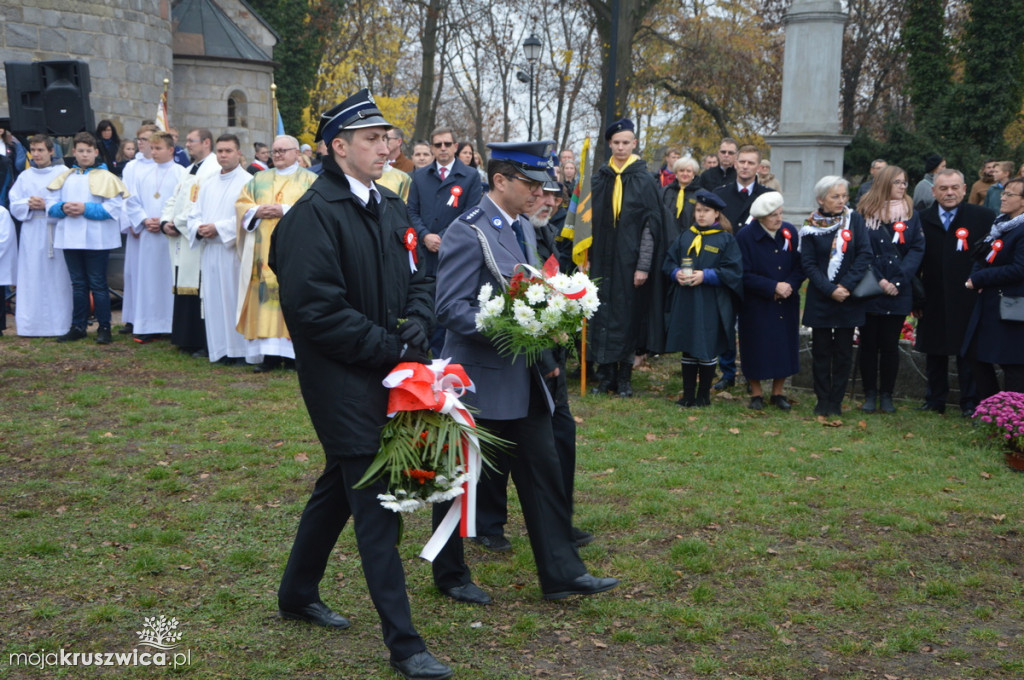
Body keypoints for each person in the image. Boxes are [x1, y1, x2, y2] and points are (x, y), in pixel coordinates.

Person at [269, 89, 450, 680]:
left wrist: (418, 326)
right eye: (371, 139)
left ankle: (297, 592)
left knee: (338, 485)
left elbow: (420, 275)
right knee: (376, 506)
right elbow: (315, 310)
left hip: (394, 370)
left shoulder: (390, 203)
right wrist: (390, 346)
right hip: (343, 380)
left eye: (387, 138)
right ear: (337, 147)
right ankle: (404, 644)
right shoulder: (311, 216)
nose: (385, 146)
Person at [431, 137, 619, 607]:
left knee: (543, 473)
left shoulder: (523, 229)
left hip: (526, 379)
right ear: (500, 181)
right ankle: (449, 573)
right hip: (478, 379)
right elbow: (450, 308)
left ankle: (561, 573)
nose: (541, 193)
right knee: (459, 480)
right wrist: (514, 326)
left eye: (542, 184)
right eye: (530, 184)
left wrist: (549, 332)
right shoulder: (466, 230)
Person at [471, 179, 593, 553]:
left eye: (555, 196)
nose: (547, 202)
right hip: (510, 354)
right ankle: (487, 523)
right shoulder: (491, 229)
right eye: (539, 193)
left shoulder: (539, 230)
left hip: (545, 355)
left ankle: (558, 521)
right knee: (500, 444)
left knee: (559, 439)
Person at [588, 118, 660, 397]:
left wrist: (643, 264)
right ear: (609, 144)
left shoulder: (644, 179)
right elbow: (587, 221)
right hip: (602, 260)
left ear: (634, 144)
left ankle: (625, 378)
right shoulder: (600, 178)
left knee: (626, 316)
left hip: (629, 262)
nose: (620, 147)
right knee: (602, 313)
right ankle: (605, 377)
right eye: (616, 143)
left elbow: (650, 227)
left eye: (625, 143)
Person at [915, 169, 995, 416]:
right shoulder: (921, 218)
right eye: (943, 188)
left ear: (963, 188)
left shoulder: (983, 216)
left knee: (968, 351)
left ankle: (969, 402)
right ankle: (935, 399)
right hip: (933, 294)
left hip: (969, 294)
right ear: (933, 191)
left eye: (954, 187)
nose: (949, 193)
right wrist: (916, 296)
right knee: (934, 349)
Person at [235, 135, 317, 372]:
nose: (278, 155)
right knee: (264, 298)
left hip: (296, 250)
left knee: (293, 295)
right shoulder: (259, 179)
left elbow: (316, 210)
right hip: (262, 251)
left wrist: (285, 210)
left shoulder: (310, 179)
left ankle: (294, 355)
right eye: (275, 151)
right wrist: (256, 210)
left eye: (283, 150)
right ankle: (269, 356)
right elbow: (241, 204)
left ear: (296, 152)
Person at [799, 176, 872, 417]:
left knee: (843, 352)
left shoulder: (855, 220)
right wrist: (830, 289)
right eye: (835, 196)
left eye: (844, 196)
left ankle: (836, 401)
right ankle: (822, 399)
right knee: (821, 352)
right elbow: (808, 264)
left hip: (848, 297)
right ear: (821, 199)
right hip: (821, 296)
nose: (841, 201)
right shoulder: (811, 225)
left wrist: (845, 286)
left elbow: (864, 255)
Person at [662, 190, 743, 406]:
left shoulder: (725, 239)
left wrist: (706, 275)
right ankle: (688, 394)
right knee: (688, 345)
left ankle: (703, 396)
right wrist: (675, 273)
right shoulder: (685, 236)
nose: (701, 215)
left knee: (705, 346)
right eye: (698, 210)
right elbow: (668, 261)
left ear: (716, 214)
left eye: (706, 211)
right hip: (686, 300)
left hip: (710, 301)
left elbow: (734, 271)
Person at [855, 165, 925, 413]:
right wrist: (879, 280)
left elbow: (916, 249)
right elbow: (861, 249)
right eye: (897, 182)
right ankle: (869, 394)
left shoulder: (910, 214)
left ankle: (887, 395)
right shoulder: (863, 212)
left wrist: (897, 281)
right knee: (868, 345)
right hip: (871, 289)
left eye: (905, 182)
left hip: (899, 290)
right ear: (884, 183)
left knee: (889, 345)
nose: (903, 187)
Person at [47, 131, 129, 345]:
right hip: (70, 238)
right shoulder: (65, 177)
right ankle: (78, 326)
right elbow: (50, 205)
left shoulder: (107, 177)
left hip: (96, 239)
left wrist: (85, 208)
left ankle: (104, 327)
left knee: (98, 283)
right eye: (80, 151)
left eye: (88, 151)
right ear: (74, 152)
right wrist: (63, 207)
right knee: (78, 283)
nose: (84, 155)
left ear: (95, 152)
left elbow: (113, 209)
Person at [185, 134, 251, 366]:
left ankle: (241, 351)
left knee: (234, 300)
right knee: (213, 301)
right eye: (220, 151)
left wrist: (219, 228)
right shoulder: (209, 181)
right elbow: (194, 212)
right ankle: (220, 349)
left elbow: (247, 217)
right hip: (210, 251)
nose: (223, 155)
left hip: (233, 252)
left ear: (239, 153)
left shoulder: (248, 182)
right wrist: (198, 228)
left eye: (228, 151)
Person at [736, 191, 803, 410]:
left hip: (786, 299)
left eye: (780, 213)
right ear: (761, 218)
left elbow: (799, 265)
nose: (778, 219)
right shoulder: (745, 236)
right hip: (757, 302)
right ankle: (756, 393)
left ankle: (778, 392)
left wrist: (789, 285)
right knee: (756, 345)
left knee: (783, 344)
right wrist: (772, 287)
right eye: (773, 215)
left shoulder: (789, 232)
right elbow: (743, 273)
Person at [712, 144, 770, 389]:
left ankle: (752, 373)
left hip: (754, 267)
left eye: (751, 163)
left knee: (753, 324)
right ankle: (727, 373)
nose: (745, 166)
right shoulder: (720, 193)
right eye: (742, 162)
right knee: (725, 322)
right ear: (735, 163)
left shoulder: (766, 196)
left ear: (759, 167)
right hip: (726, 267)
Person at [160, 128, 219, 356]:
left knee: (200, 286)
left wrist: (178, 222)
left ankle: (200, 339)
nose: (187, 145)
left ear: (206, 142)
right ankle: (185, 338)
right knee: (184, 282)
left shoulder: (212, 170)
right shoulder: (188, 170)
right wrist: (166, 220)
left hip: (196, 237)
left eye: (191, 141)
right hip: (181, 236)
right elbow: (174, 198)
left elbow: (199, 205)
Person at [122, 131, 186, 342]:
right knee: (148, 281)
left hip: (170, 236)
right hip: (149, 235)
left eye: (158, 148)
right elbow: (132, 201)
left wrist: (167, 221)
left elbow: (185, 202)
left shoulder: (181, 173)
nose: (154, 152)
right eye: (152, 148)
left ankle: (170, 324)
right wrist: (143, 220)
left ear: (170, 150)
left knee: (169, 279)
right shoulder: (143, 174)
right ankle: (148, 325)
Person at [963, 177, 1024, 399]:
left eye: (1010, 194)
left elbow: (1019, 269)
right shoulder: (1002, 226)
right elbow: (984, 256)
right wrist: (975, 276)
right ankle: (993, 405)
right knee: (974, 353)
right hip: (990, 304)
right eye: (1003, 193)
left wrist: (981, 279)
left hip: (1012, 305)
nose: (1003, 197)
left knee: (1013, 364)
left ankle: (1013, 415)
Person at [9, 134, 72, 337]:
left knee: (57, 278)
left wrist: (48, 205)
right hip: (32, 230)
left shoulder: (63, 173)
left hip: (55, 231)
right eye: (33, 151)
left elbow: (69, 200)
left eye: (40, 150)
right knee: (32, 276)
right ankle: (31, 325)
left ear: (51, 151)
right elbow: (14, 202)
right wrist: (27, 203)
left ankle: (60, 324)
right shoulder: (25, 176)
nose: (36, 154)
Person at [408, 127, 483, 279]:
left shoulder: (471, 176)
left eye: (447, 144)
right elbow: (411, 211)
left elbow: (471, 213)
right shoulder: (420, 175)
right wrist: (425, 235)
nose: (443, 148)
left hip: (455, 252)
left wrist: (442, 237)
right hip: (423, 253)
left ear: (455, 147)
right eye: (438, 145)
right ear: (432, 148)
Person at [119, 124, 158, 335]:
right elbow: (126, 196)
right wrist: (135, 222)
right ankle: (133, 318)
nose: (140, 143)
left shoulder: (162, 166)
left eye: (146, 139)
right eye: (139, 139)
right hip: (138, 228)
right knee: (133, 273)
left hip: (156, 227)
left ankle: (155, 318)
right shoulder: (131, 167)